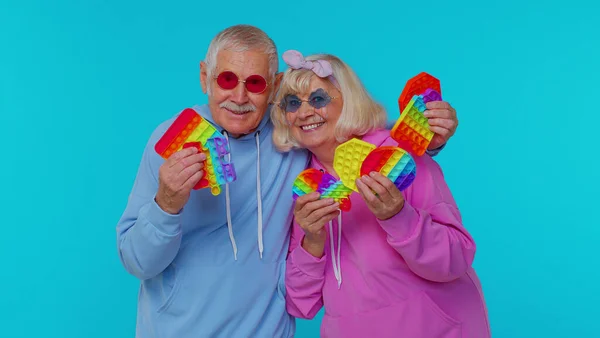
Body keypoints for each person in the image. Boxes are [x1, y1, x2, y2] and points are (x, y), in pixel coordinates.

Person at [115, 24, 458, 337]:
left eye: (255, 83)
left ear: (273, 85)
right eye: (226, 79)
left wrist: (430, 135)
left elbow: (357, 136)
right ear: (205, 77)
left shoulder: (291, 140)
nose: (239, 97)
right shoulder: (176, 143)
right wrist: (167, 203)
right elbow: (137, 261)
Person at [272, 50, 490, 338]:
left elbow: (456, 257)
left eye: (318, 99)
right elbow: (302, 304)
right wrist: (313, 239)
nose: (303, 112)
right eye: (292, 103)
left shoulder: (396, 157)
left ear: (348, 102)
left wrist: (398, 217)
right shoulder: (305, 185)